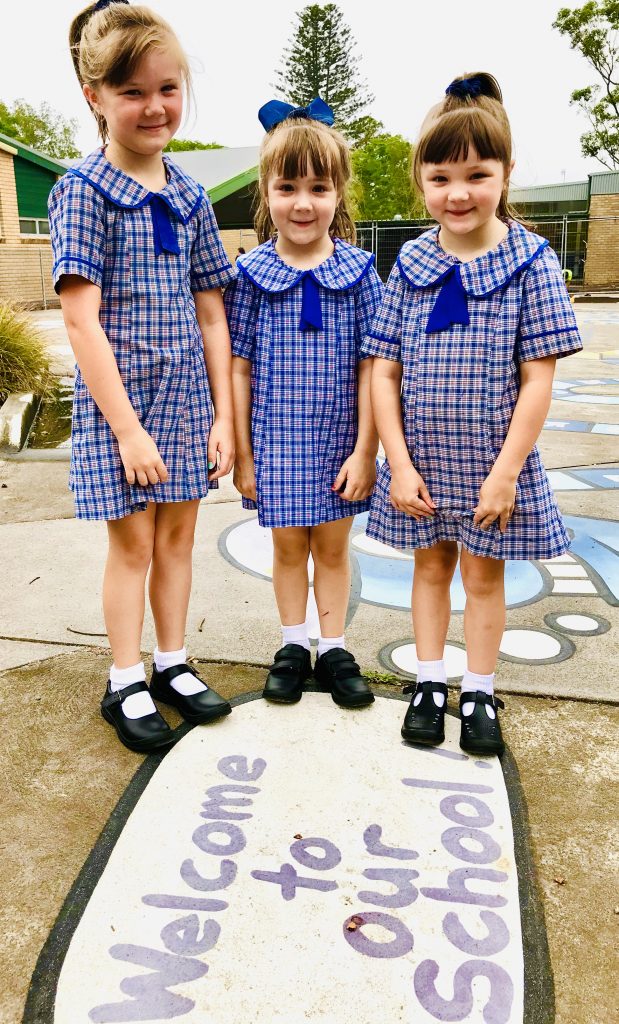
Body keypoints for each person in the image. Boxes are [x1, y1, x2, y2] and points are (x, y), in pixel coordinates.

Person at [362, 73, 582, 755]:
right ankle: (429, 683)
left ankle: (479, 690)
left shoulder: (531, 262)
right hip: (422, 462)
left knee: (484, 577)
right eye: (440, 177)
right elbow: (384, 370)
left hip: (493, 464)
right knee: (429, 569)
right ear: (421, 181)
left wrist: (506, 472)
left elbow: (537, 378)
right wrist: (397, 464)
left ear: (507, 173)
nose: (457, 193)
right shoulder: (411, 263)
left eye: (476, 175)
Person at [48, 0, 236, 753]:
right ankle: (124, 677)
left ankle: (172, 662)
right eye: (132, 92)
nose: (155, 107)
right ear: (94, 96)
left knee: (179, 540)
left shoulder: (189, 195)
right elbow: (80, 322)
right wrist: (127, 430)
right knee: (133, 545)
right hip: (120, 409)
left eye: (167, 88)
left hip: (187, 402)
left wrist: (223, 416)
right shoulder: (84, 190)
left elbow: (213, 312)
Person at [224, 98, 384, 708]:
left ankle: (334, 648)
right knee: (289, 548)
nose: (302, 203)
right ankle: (293, 645)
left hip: (341, 444)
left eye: (318, 188)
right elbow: (239, 368)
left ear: (338, 193)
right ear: (266, 192)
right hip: (276, 443)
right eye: (287, 187)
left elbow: (374, 368)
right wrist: (243, 455)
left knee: (334, 549)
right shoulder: (251, 276)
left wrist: (366, 450)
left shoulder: (360, 273)